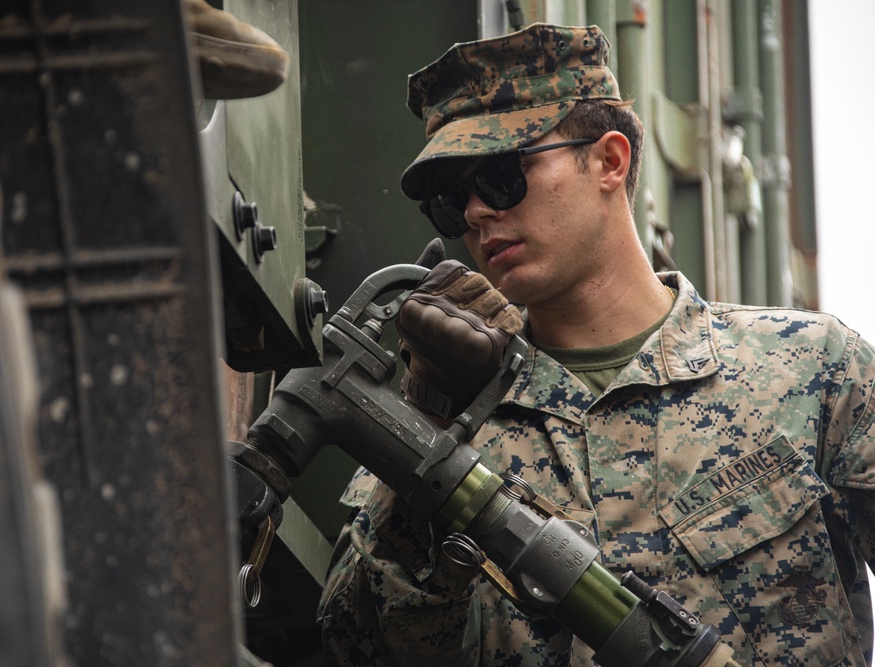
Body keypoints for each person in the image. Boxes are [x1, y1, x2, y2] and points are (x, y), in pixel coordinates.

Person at [317, 22, 875, 667]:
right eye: (449, 199)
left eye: (501, 176)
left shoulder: (811, 371)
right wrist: (430, 432)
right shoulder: (441, 423)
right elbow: (354, 648)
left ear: (610, 161)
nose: (475, 213)